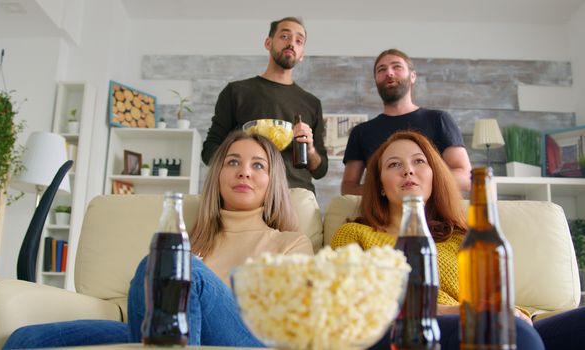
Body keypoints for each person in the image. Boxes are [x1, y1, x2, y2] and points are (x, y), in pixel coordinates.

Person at [3, 131, 313, 349]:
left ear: (273, 181)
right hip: (164, 330)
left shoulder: (290, 243)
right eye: (233, 162)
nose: (244, 172)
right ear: (218, 175)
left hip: (253, 339)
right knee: (26, 340)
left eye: (258, 165)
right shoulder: (192, 239)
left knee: (170, 263)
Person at [331, 130, 585, 350]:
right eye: (394, 164)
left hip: (495, 325)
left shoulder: (461, 236)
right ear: (381, 186)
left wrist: (517, 312)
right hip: (417, 331)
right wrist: (460, 312)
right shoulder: (354, 235)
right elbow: (350, 306)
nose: (408, 169)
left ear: (433, 176)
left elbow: (491, 295)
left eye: (418, 161)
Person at [201, 16, 328, 193]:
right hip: (247, 191)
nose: (292, 43)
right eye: (285, 36)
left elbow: (321, 170)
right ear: (268, 43)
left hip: (296, 195)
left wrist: (311, 149)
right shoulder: (236, 91)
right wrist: (238, 161)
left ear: (302, 55)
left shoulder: (312, 103)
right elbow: (209, 151)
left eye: (299, 40)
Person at [340, 48, 471, 195]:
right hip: (383, 217)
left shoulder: (439, 119)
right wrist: (390, 187)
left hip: (435, 215)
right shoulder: (361, 132)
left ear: (412, 76)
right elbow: (348, 189)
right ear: (376, 81)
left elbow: (465, 178)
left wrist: (415, 183)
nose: (389, 73)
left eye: (397, 67)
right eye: (381, 70)